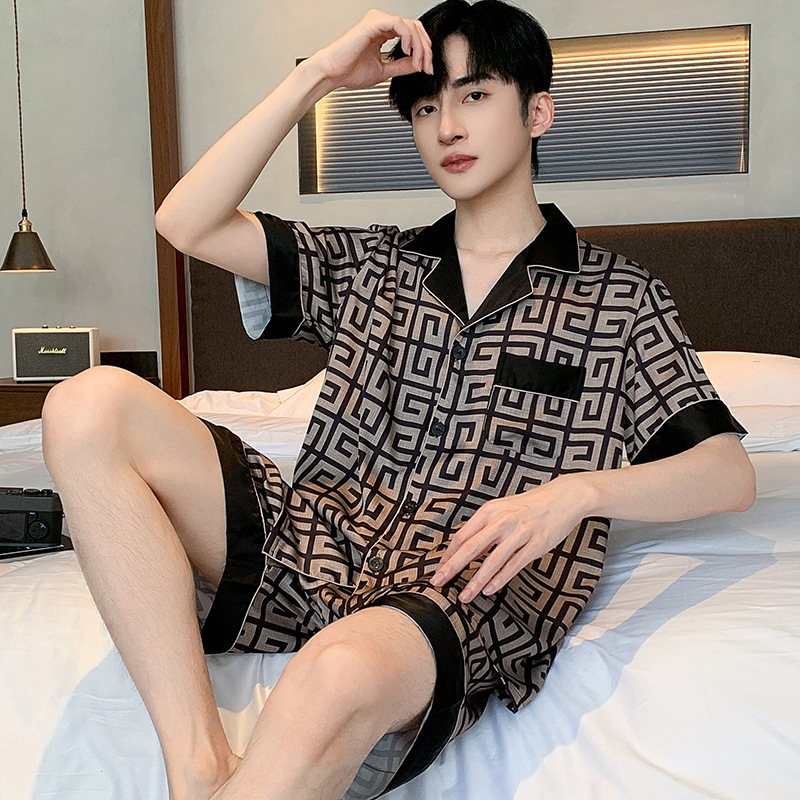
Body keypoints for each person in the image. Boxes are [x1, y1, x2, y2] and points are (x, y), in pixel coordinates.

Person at [41, 2, 755, 799]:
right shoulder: (371, 266)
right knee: (85, 404)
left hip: (466, 584)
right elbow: (185, 221)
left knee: (333, 672)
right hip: (314, 545)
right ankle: (197, 764)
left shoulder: (618, 298)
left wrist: (577, 493)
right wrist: (317, 76)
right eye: (424, 107)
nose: (447, 126)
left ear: (537, 112)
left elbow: (727, 473)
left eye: (475, 95)